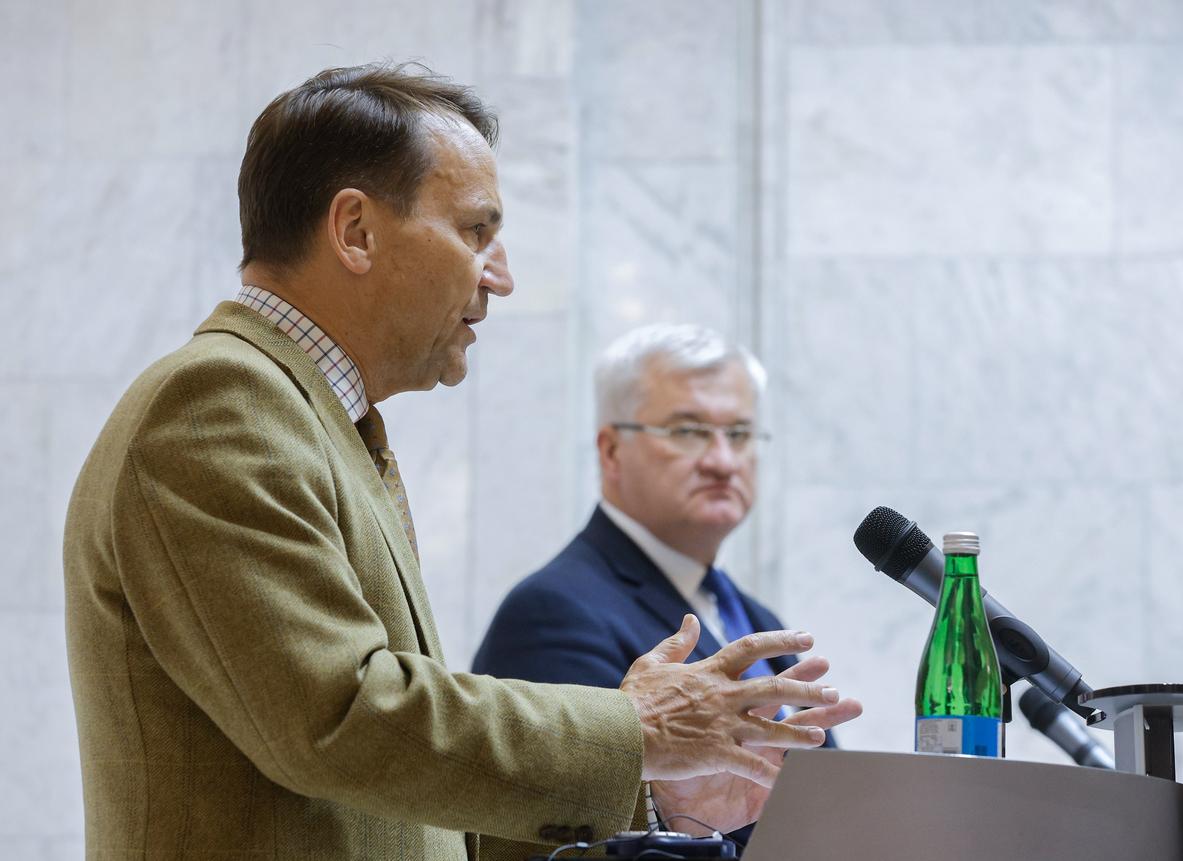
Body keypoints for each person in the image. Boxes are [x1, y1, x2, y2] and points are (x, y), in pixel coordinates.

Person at [63, 65, 859, 860]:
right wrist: (636, 731)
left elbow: (401, 794)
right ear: (355, 231)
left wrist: (651, 789)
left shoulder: (309, 413)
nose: (500, 276)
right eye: (477, 231)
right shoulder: (220, 402)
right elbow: (340, 717)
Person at [473, 326, 857, 811]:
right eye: (688, 432)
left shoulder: (754, 616)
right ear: (611, 451)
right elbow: (571, 818)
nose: (722, 461)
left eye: (739, 434)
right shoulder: (553, 613)